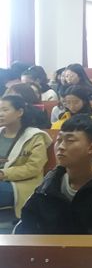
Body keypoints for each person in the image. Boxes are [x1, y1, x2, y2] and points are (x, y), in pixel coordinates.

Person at [15, 115, 92, 235]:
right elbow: (26, 223)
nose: (60, 147)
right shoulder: (51, 180)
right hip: (47, 246)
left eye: (70, 141)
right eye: (59, 140)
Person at [0, 95, 52, 228]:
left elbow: (33, 168)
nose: (0, 114)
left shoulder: (34, 136)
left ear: (20, 112)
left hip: (20, 184)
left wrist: (4, 174)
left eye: (5, 110)